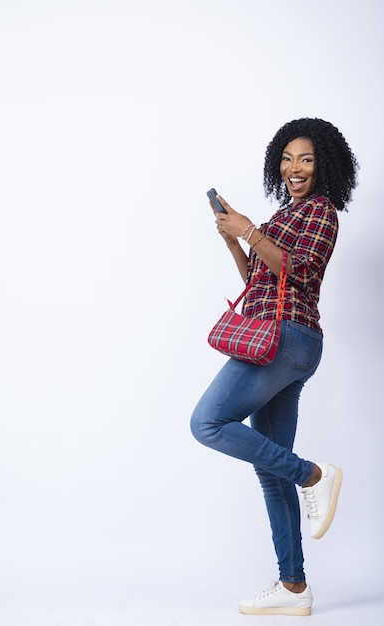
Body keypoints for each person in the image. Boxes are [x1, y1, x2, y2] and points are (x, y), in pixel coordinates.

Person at [190, 118, 358, 617]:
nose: (293, 168)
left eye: (305, 159)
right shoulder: (286, 214)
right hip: (278, 339)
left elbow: (298, 271)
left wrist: (251, 229)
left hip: (287, 337)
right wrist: (233, 238)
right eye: (286, 159)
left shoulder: (322, 212)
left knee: (208, 423)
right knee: (269, 467)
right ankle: (293, 587)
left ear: (322, 164)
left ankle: (314, 476)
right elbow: (259, 275)